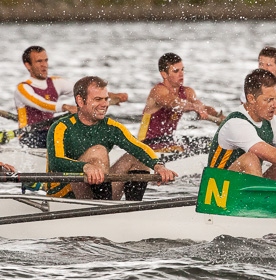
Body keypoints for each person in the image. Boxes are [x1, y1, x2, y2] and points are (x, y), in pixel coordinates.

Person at [47, 76, 177, 200]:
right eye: (98, 99)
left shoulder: (111, 127)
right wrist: (85, 167)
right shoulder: (60, 127)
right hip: (63, 195)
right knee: (99, 151)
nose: (105, 104)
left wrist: (158, 166)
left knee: (137, 157)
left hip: (99, 193)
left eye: (106, 99)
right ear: (80, 101)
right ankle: (104, 211)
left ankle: (133, 210)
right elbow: (56, 163)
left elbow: (139, 147)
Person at [15, 46, 128, 148]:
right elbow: (42, 104)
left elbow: (86, 91)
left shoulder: (56, 82)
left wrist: (112, 96)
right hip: (29, 136)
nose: (44, 65)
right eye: (39, 61)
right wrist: (66, 107)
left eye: (46, 60)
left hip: (50, 131)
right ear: (28, 65)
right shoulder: (22, 89)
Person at [138, 52, 225, 153]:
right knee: (184, 148)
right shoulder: (158, 91)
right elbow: (173, 103)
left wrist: (218, 117)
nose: (181, 74)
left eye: (182, 70)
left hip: (168, 142)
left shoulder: (187, 91)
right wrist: (194, 107)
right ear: (164, 74)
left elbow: (200, 105)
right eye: (176, 71)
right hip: (146, 144)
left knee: (210, 144)